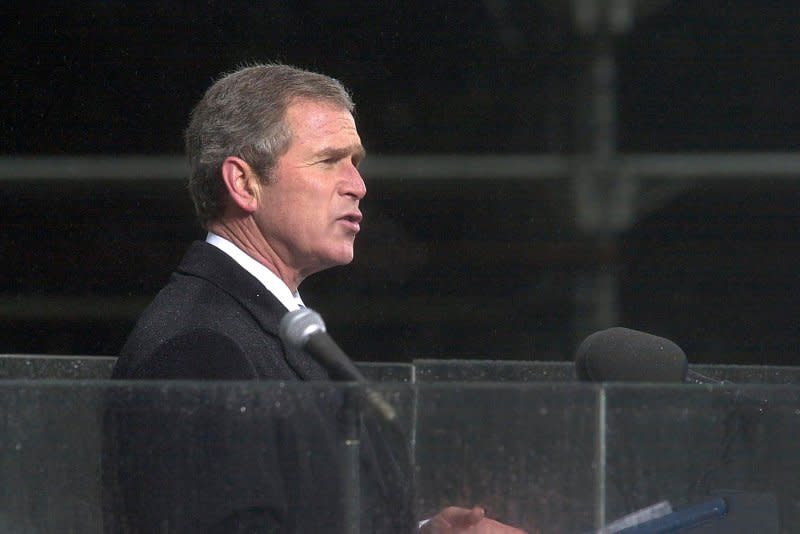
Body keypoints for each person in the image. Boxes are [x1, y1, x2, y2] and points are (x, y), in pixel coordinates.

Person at [109, 63, 528, 533]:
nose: (358, 185)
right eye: (330, 161)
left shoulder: (276, 328)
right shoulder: (198, 347)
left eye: (356, 163)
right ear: (244, 183)